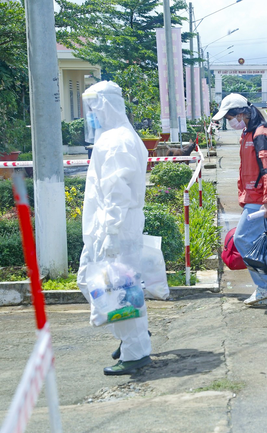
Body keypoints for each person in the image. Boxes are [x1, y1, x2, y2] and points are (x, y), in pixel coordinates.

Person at [77, 81, 152, 375]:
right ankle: (134, 339)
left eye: (95, 106)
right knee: (101, 282)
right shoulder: (114, 137)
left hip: (115, 227)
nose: (91, 113)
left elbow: (116, 191)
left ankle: (134, 351)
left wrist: (109, 232)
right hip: (114, 225)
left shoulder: (117, 141)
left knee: (118, 289)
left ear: (106, 105)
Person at [212, 94, 267, 306]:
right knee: (250, 241)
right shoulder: (249, 133)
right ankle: (266, 287)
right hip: (254, 197)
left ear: (242, 113)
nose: (229, 122)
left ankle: (266, 288)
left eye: (230, 117)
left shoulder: (260, 135)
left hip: (260, 199)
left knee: (243, 239)